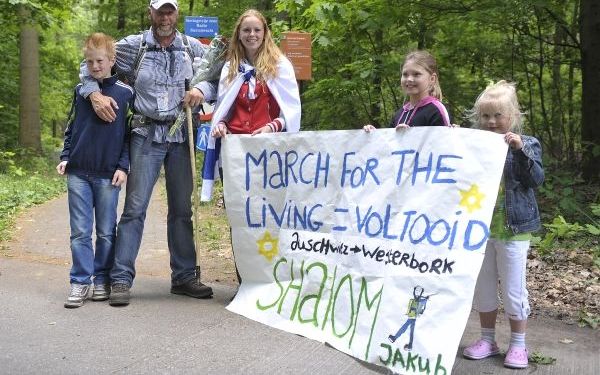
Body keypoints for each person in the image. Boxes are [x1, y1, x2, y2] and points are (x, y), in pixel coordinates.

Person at [79, 0, 217, 307]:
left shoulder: (192, 48)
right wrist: (94, 93)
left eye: (170, 11)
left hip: (182, 135)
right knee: (135, 209)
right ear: (150, 12)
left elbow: (219, 76)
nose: (165, 16)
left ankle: (183, 277)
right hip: (145, 135)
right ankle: (121, 278)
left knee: (182, 210)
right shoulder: (133, 46)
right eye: (160, 10)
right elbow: (88, 63)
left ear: (176, 14)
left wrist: (202, 91)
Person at [200, 9, 301, 285]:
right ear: (239, 34)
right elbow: (223, 110)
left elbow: (291, 113)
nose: (252, 35)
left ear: (265, 32)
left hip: (269, 153)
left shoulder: (280, 66)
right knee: (240, 218)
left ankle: (271, 280)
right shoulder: (230, 68)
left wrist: (272, 127)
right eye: (247, 30)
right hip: (237, 155)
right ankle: (244, 281)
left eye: (257, 30)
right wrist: (219, 126)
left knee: (269, 216)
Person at [462, 81, 544, 369]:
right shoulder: (474, 144)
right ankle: (487, 339)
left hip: (513, 230)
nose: (491, 122)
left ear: (513, 116)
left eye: (498, 115)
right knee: (483, 288)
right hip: (479, 229)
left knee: (513, 289)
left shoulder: (527, 143)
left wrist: (520, 150)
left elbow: (536, 180)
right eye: (485, 116)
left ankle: (518, 344)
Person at [58, 32, 133, 308]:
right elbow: (71, 128)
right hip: (78, 172)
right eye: (89, 62)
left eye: (100, 61)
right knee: (79, 231)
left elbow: (129, 135)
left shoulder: (126, 94)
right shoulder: (81, 92)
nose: (95, 67)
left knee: (105, 231)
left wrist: (123, 166)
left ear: (112, 60)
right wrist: (66, 156)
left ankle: (102, 278)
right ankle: (80, 282)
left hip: (107, 175)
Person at [363, 50, 450, 131]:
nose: (409, 79)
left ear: (432, 79)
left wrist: (410, 137)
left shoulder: (436, 110)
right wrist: (374, 135)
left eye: (416, 74)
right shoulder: (400, 114)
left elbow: (441, 144)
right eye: (405, 74)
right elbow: (388, 145)